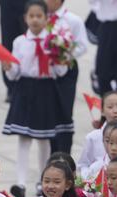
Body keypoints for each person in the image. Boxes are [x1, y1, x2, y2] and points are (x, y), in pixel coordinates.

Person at [2, 0, 69, 197]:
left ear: (46, 18)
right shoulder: (20, 42)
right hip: (26, 90)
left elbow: (60, 72)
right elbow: (15, 73)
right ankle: (20, 183)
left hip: (46, 90)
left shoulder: (55, 42)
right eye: (31, 16)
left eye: (39, 16)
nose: (35, 20)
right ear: (25, 18)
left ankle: (43, 180)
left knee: (44, 138)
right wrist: (8, 67)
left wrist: (61, 59)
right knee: (24, 137)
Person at [45, 0, 88, 154]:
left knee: (64, 112)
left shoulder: (72, 20)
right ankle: (50, 155)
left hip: (67, 70)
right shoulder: (40, 17)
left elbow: (82, 45)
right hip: (46, 72)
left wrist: (64, 55)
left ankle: (64, 153)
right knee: (47, 113)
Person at [78, 91, 117, 174]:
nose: (115, 111)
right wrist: (89, 179)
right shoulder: (93, 136)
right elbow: (83, 164)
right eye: (110, 107)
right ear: (102, 111)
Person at [0, 0, 27, 102]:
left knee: (31, 39)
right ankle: (11, 87)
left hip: (31, 3)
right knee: (8, 41)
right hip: (9, 4)